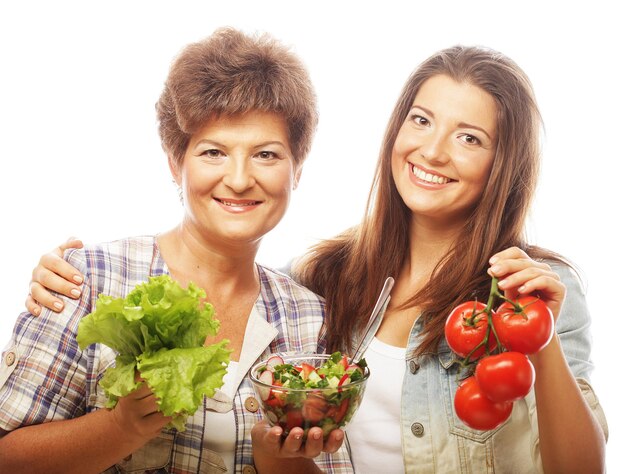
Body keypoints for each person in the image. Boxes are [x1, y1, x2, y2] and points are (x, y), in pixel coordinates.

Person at [22, 46, 609, 473]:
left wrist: (541, 334)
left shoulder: (534, 291)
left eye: (470, 137)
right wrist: (68, 278)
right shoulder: (324, 281)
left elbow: (581, 469)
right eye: (421, 121)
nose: (432, 150)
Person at [0, 28, 352, 474]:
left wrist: (274, 458)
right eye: (213, 152)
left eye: (266, 154)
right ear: (175, 162)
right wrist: (121, 427)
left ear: (296, 169)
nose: (240, 179)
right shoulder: (85, 278)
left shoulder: (311, 318)